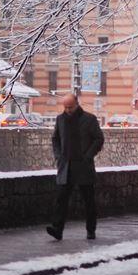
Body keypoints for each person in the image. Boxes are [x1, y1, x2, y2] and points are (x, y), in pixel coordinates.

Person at [46, 93, 104, 240]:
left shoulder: (89, 119)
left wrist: (88, 156)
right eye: (65, 107)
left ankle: (91, 230)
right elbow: (55, 139)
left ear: (77, 104)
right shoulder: (60, 119)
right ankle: (57, 229)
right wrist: (58, 156)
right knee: (61, 199)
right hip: (66, 166)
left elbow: (99, 139)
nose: (67, 110)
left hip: (83, 166)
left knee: (88, 201)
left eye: (70, 107)